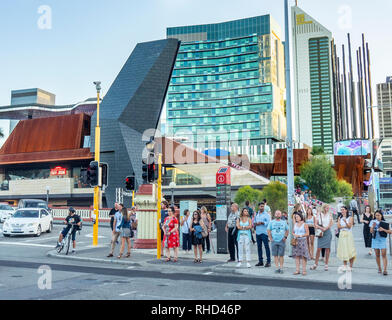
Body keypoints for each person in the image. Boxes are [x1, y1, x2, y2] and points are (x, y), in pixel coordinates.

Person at [311, 204, 334, 271]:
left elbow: (331, 223)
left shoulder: (330, 214)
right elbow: (315, 224)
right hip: (321, 232)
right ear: (323, 208)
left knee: (327, 248)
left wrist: (326, 228)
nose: (328, 209)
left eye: (328, 208)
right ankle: (315, 264)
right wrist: (321, 228)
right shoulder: (319, 214)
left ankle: (326, 264)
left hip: (327, 232)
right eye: (327, 208)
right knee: (318, 248)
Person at [370, 210, 392, 275]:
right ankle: (379, 268)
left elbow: (390, 232)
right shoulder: (372, 221)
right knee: (377, 255)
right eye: (376, 215)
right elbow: (371, 231)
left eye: (378, 215)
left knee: (384, 254)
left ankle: (385, 269)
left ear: (381, 215)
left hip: (382, 239)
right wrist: (373, 226)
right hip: (375, 239)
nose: (377, 217)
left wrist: (383, 229)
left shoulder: (385, 222)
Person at [336, 206, 356, 270]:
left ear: (346, 210)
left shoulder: (350, 218)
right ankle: (345, 265)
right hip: (342, 234)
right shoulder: (339, 217)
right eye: (341, 210)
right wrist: (344, 226)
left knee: (350, 249)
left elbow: (349, 226)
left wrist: (345, 222)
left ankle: (350, 266)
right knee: (343, 250)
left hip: (348, 234)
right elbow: (338, 226)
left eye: (343, 210)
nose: (342, 211)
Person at [254, 202, 271, 267]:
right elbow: (254, 222)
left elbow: (268, 223)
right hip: (258, 233)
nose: (262, 207)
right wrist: (255, 223)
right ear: (259, 207)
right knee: (259, 247)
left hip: (264, 233)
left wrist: (262, 223)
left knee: (266, 247)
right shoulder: (257, 214)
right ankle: (260, 261)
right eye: (261, 206)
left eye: (263, 206)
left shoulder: (266, 214)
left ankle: (268, 262)